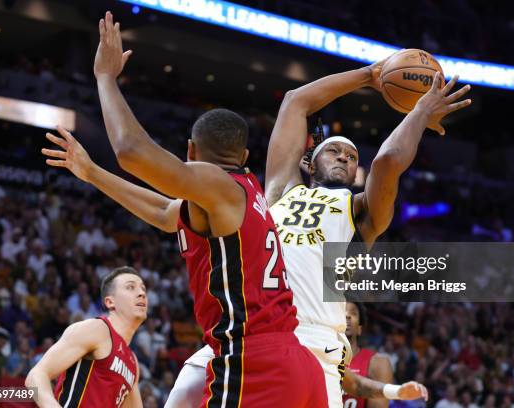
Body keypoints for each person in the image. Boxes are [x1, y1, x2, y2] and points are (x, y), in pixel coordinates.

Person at [43, 11, 328, 407]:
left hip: (254, 363)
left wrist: (105, 79)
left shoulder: (218, 185)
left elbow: (131, 152)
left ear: (191, 153)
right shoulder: (244, 193)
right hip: (299, 365)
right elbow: (163, 212)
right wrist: (92, 174)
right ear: (243, 155)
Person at [169, 60, 469, 405]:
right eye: (334, 151)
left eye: (353, 157)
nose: (344, 158)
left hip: (314, 343)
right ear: (308, 162)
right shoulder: (279, 192)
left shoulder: (360, 211)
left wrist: (417, 112)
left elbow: (387, 161)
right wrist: (370, 75)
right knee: (180, 396)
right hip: (249, 335)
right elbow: (295, 102)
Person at [25, 266, 147, 407]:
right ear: (110, 302)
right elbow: (36, 376)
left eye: (143, 289)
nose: (141, 293)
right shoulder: (95, 329)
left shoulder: (132, 362)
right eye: (130, 287)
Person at [343, 302, 393, 408]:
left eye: (353, 313)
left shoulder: (378, 363)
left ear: (359, 329)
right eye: (342, 311)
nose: (347, 316)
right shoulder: (317, 358)